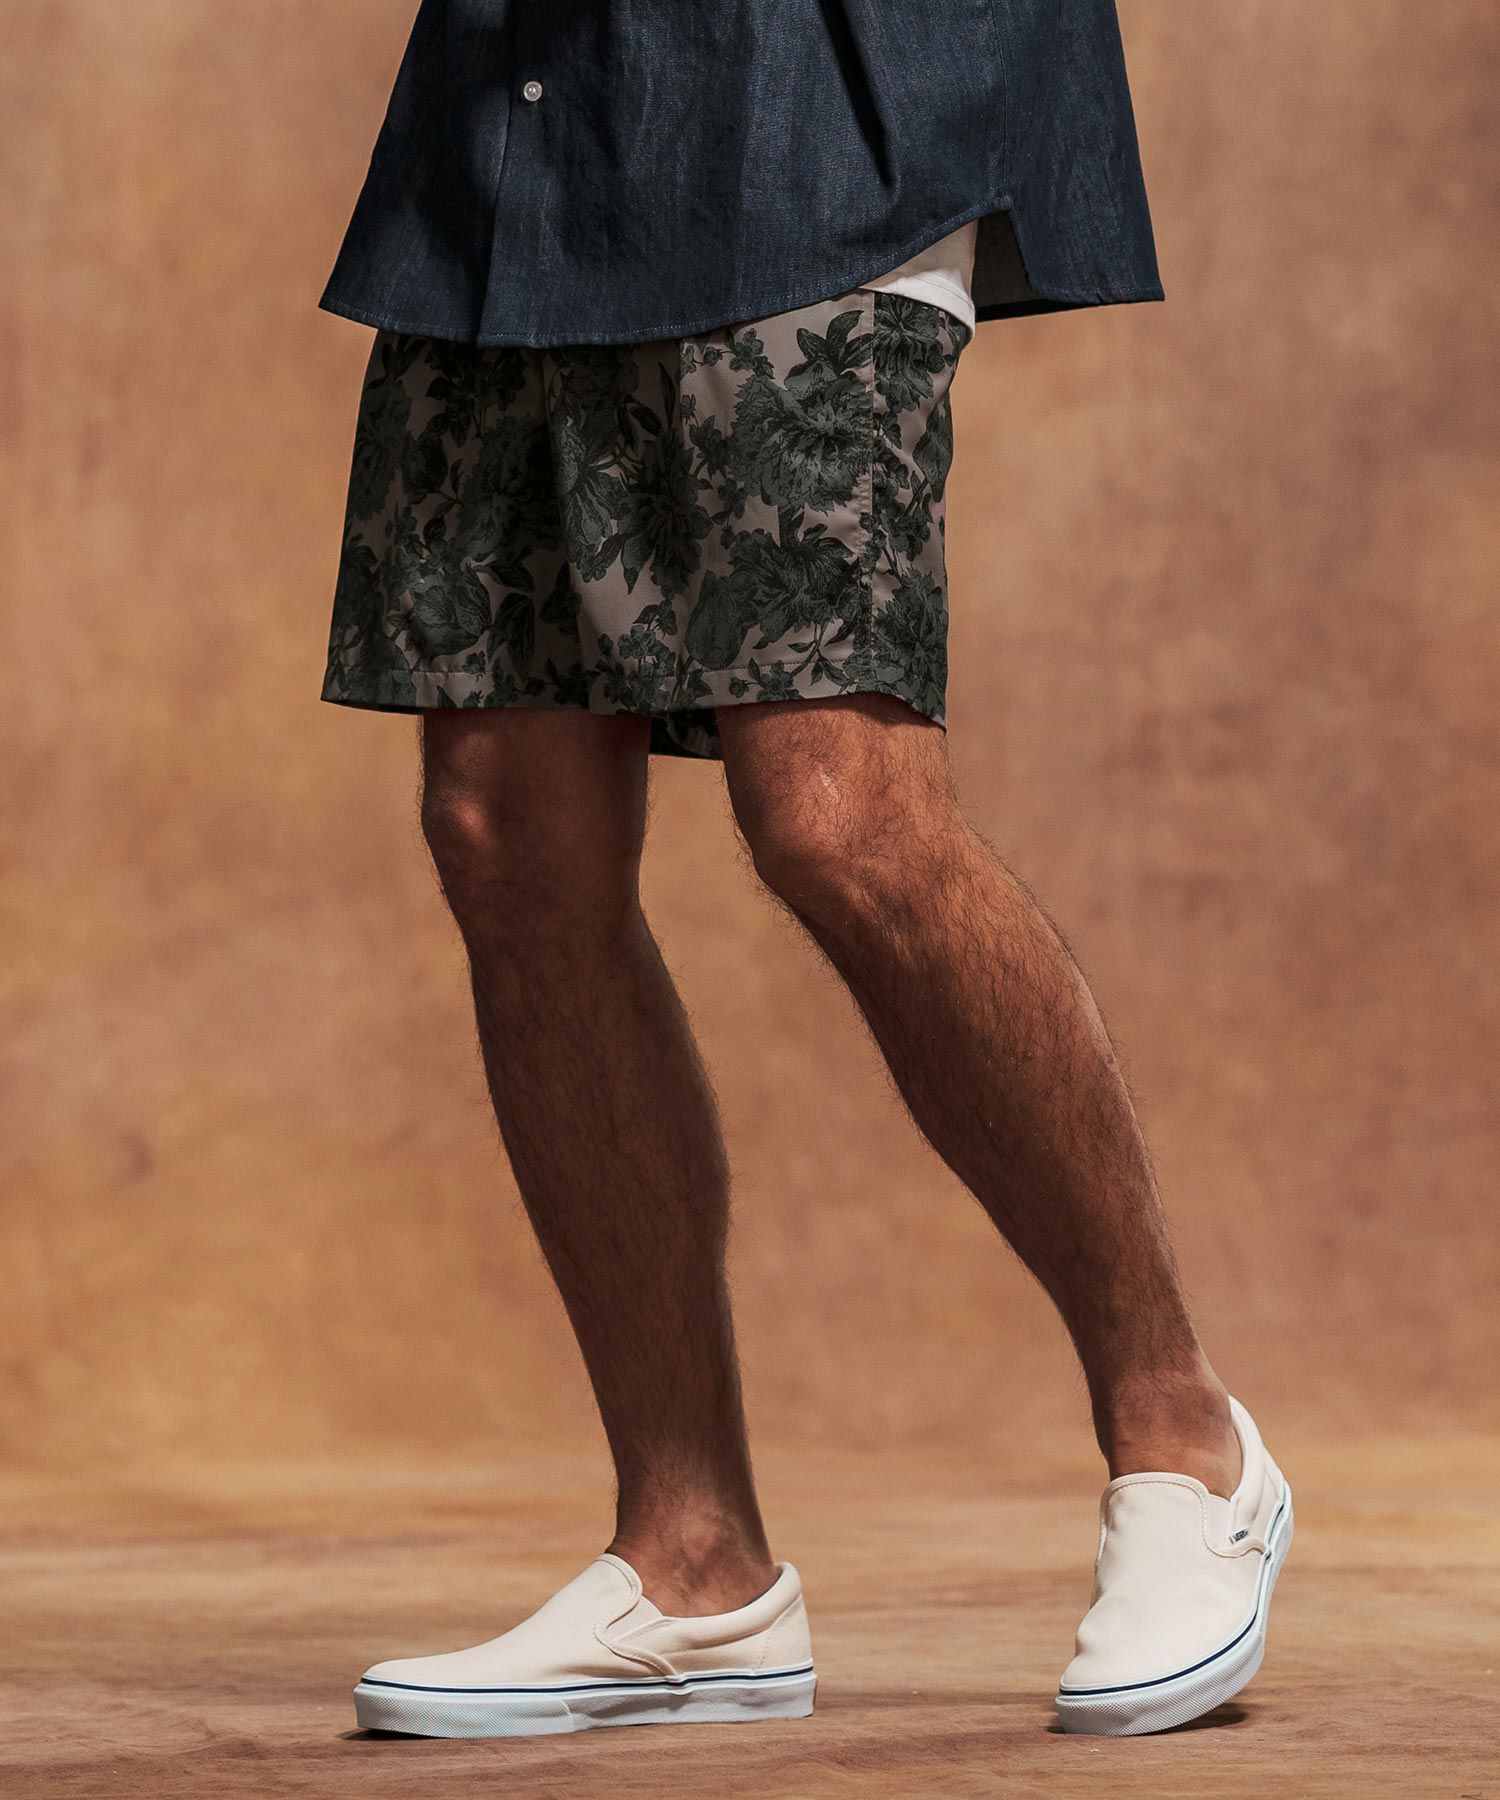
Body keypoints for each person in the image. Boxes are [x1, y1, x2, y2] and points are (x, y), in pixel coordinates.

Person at [317, 0, 1292, 1742]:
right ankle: (695, 1562)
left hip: (817, 114)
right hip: (522, 130)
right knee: (505, 830)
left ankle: (1186, 1440)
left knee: (840, 812)